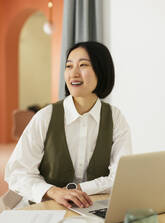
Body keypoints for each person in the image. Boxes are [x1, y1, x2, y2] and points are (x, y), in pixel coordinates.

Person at [5, 41, 132, 209]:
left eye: (83, 65)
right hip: (47, 207)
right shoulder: (45, 116)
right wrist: (55, 192)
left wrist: (78, 189)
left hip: (94, 208)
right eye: (69, 66)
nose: (74, 73)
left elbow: (121, 176)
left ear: (101, 71)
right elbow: (17, 173)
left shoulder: (116, 118)